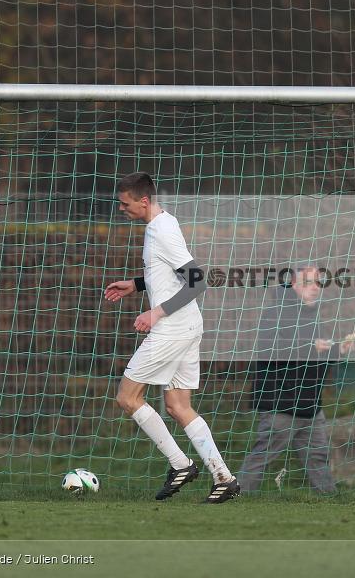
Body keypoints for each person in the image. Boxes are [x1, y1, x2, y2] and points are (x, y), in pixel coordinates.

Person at [104, 172, 239, 503]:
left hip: (173, 328)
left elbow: (196, 281)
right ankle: (224, 478)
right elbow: (166, 273)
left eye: (125, 204)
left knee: (127, 397)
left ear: (144, 200)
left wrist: (155, 313)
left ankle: (180, 464)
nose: (122, 210)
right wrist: (136, 285)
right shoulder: (158, 226)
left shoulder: (162, 229)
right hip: (188, 326)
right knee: (178, 406)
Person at [238, 266, 355, 494]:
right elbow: (270, 351)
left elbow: (316, 360)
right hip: (280, 403)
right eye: (309, 283)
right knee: (263, 455)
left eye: (318, 283)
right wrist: (310, 347)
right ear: (294, 285)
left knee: (319, 456)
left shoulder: (314, 316)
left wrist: (337, 351)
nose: (315, 288)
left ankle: (330, 498)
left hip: (310, 405)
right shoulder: (276, 313)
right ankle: (238, 494)